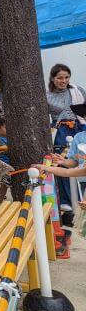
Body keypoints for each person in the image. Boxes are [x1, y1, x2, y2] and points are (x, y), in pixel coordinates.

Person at [46, 63, 86, 210]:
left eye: (67, 77)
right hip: (60, 129)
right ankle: (66, 200)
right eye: (60, 78)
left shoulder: (77, 90)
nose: (64, 81)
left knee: (82, 160)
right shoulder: (46, 94)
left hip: (80, 126)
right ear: (52, 78)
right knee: (64, 160)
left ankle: (82, 196)